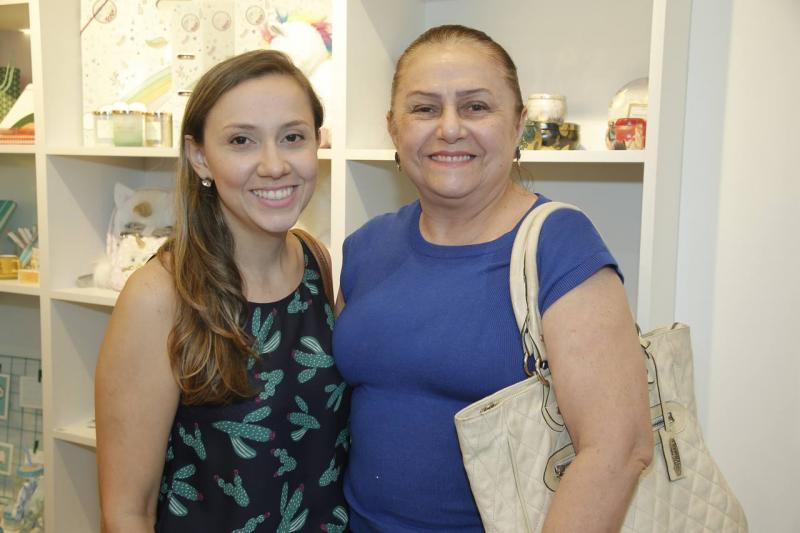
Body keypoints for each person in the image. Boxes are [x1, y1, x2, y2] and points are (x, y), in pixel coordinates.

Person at [333, 25, 652, 532]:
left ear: (518, 124)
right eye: (424, 108)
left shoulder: (559, 244)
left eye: (476, 107)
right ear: (393, 128)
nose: (450, 128)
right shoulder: (366, 247)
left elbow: (618, 448)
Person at [95, 50, 350, 533]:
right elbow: (126, 512)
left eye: (292, 137)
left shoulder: (315, 261)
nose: (274, 165)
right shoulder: (159, 296)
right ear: (199, 157)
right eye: (241, 141)